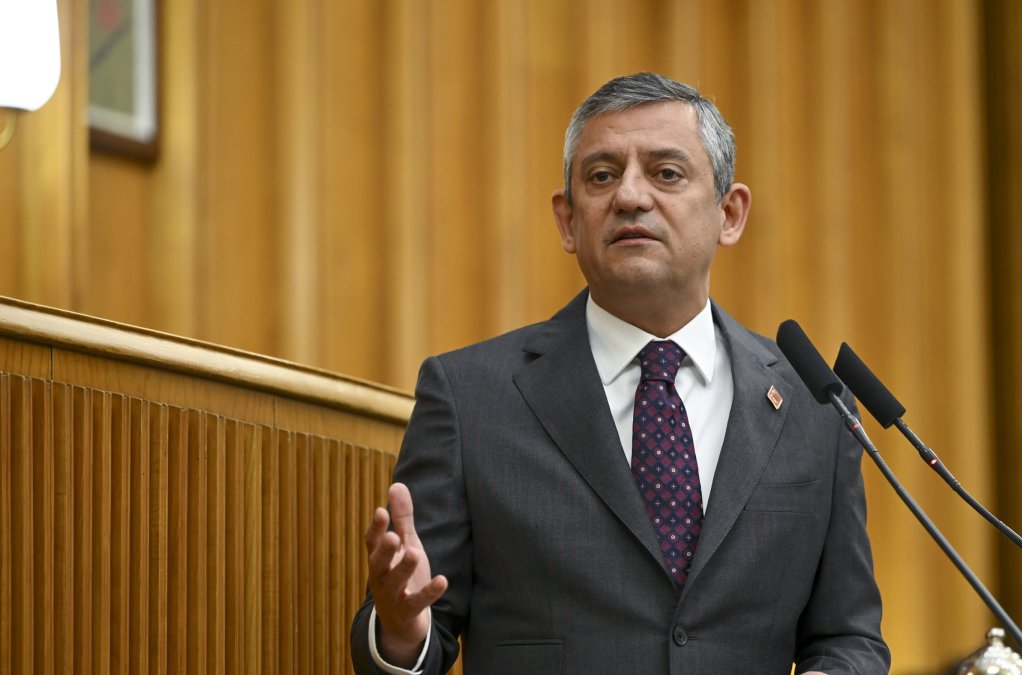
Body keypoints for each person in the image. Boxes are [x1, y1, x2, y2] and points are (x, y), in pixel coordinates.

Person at [350, 72, 889, 674]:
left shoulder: (814, 404)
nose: (630, 196)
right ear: (568, 221)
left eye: (666, 173)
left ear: (730, 214)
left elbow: (849, 638)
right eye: (602, 176)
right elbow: (420, 632)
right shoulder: (470, 396)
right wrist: (401, 629)